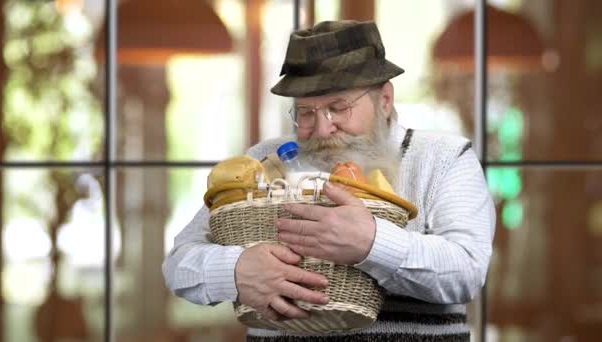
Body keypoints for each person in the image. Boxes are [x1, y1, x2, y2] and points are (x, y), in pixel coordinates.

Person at [163, 20, 495, 342]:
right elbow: (178, 264)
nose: (322, 129)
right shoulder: (266, 160)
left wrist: (372, 244)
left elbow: (466, 271)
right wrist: (235, 270)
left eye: (339, 107)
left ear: (385, 100)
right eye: (306, 112)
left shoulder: (443, 158)